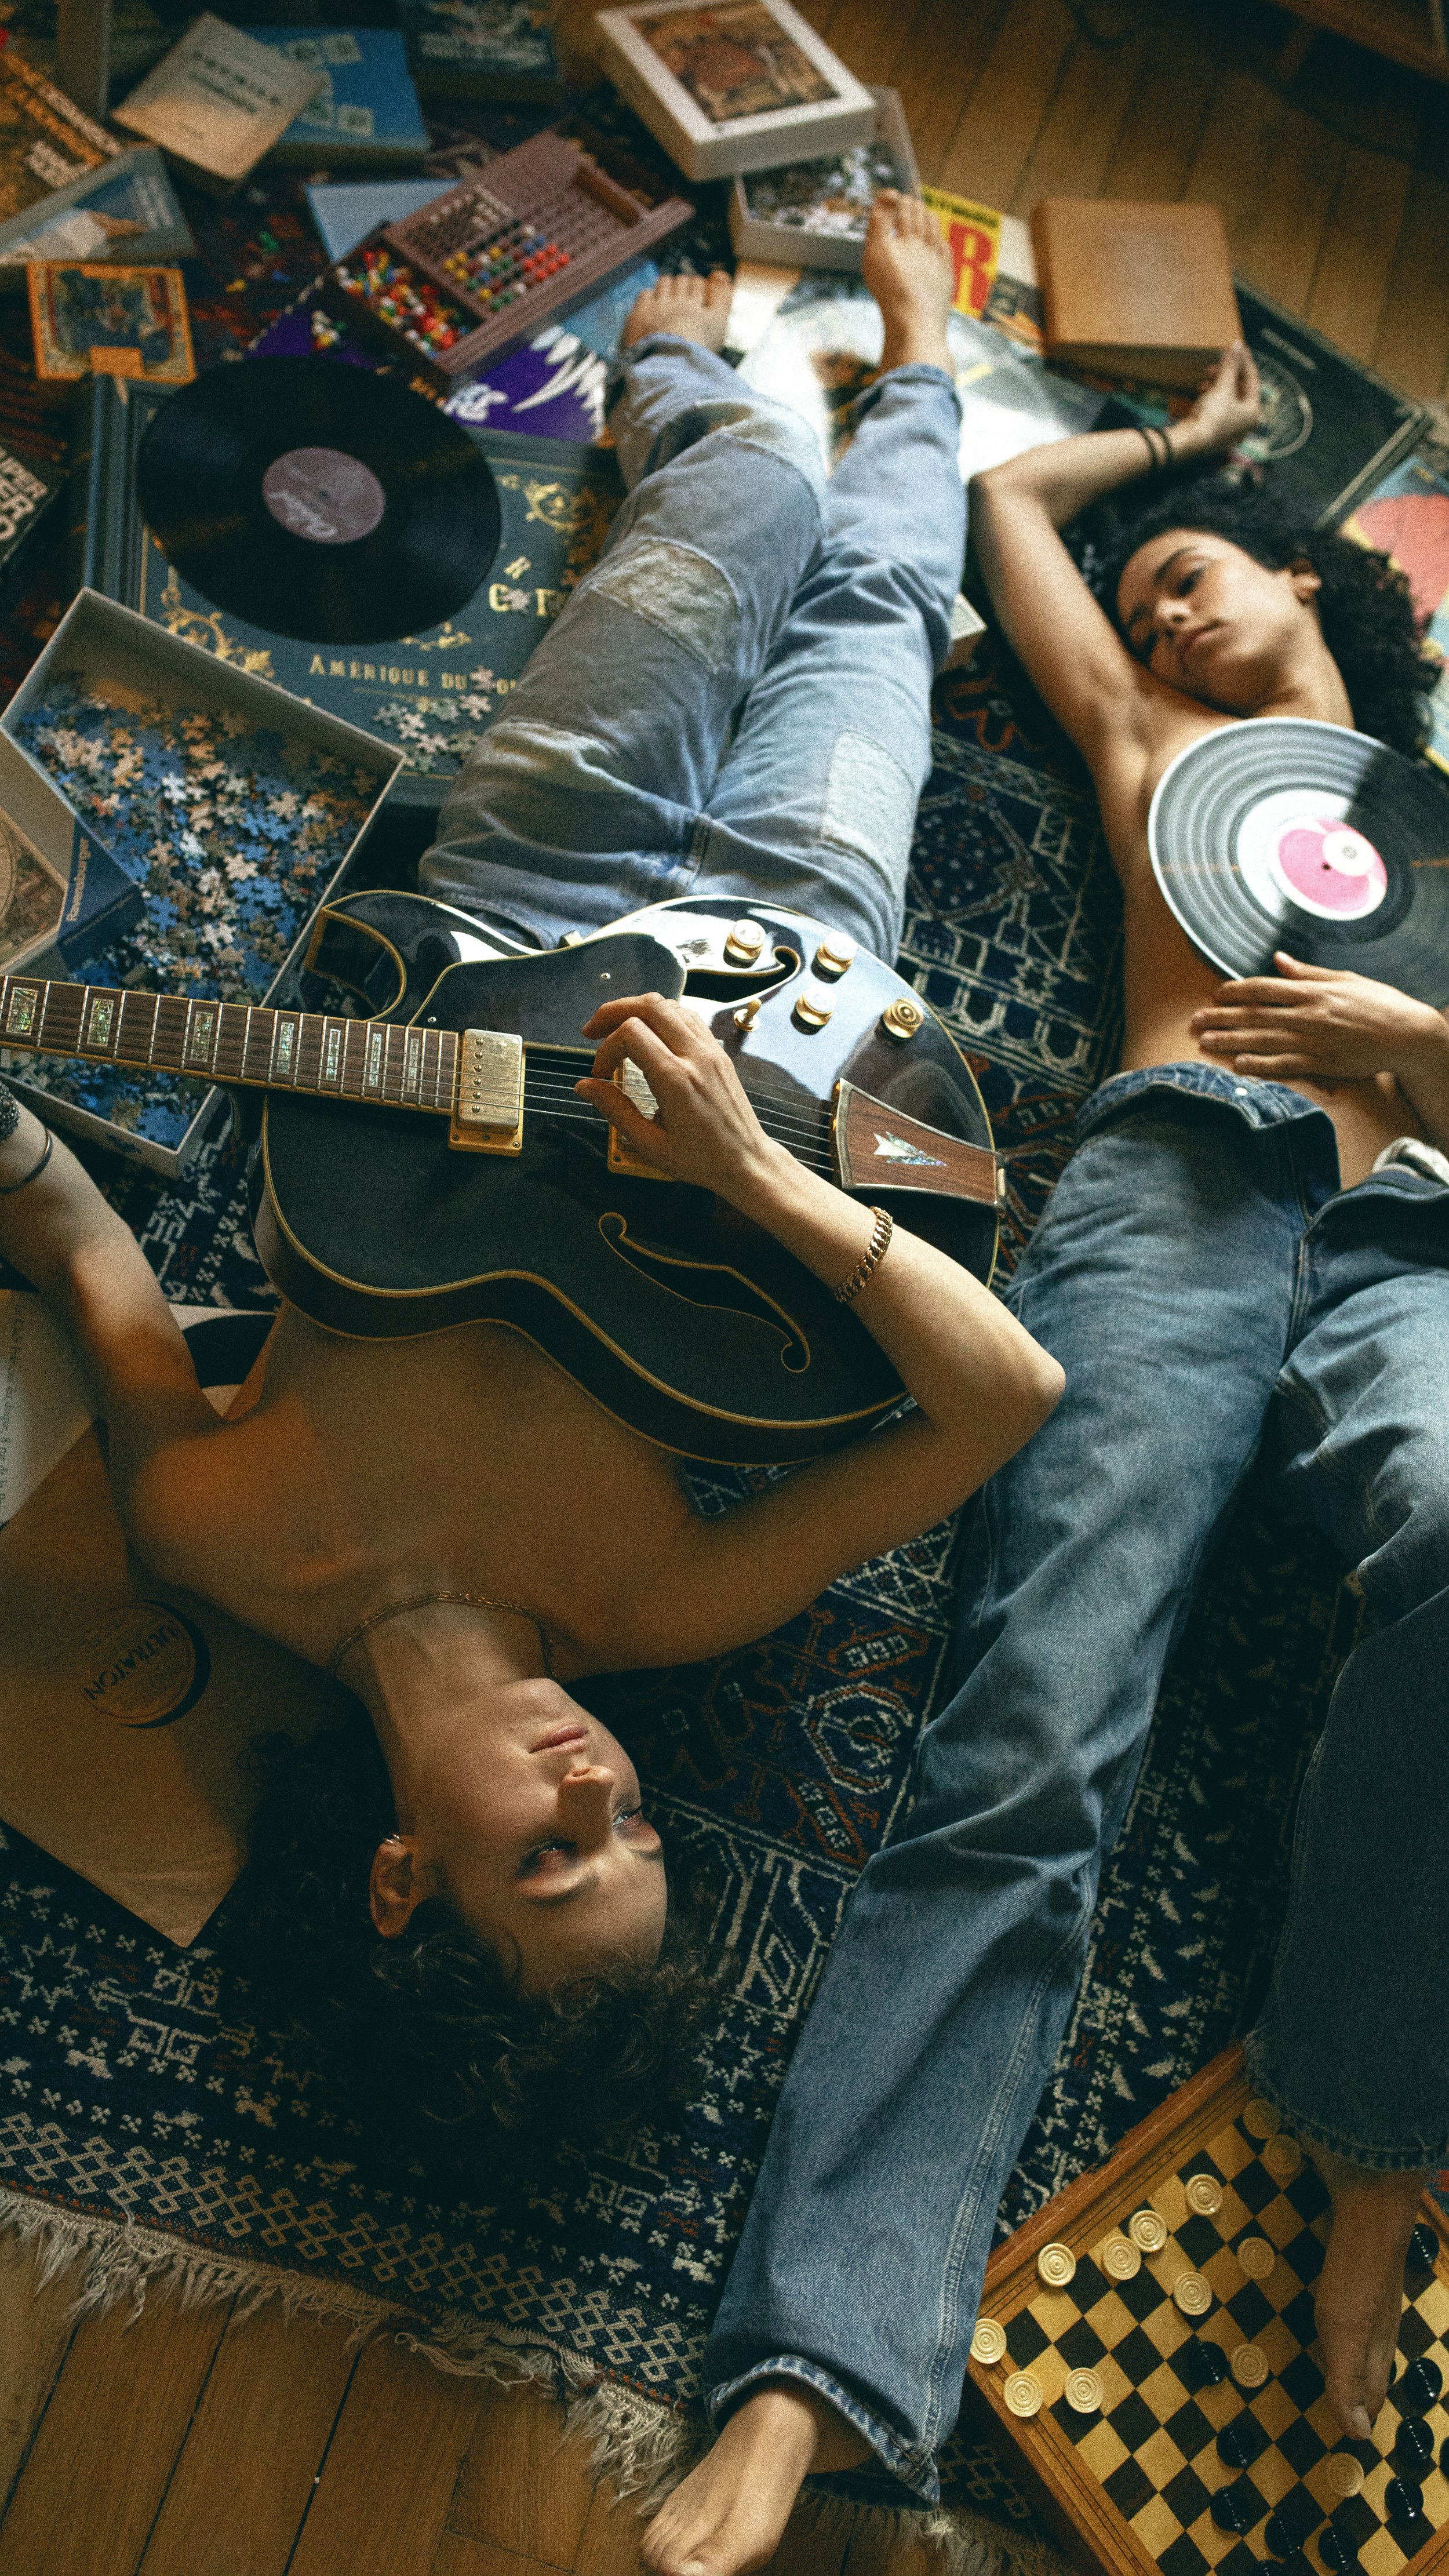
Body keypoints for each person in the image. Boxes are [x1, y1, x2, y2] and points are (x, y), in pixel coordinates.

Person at [0, 198, 1061, 2157]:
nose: (605, 1784)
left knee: (739, 486)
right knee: (872, 616)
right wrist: (754, 1179)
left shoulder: (211, 1536)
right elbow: (1006, 1396)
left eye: (559, 1856)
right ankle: (916, 359)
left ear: (404, 1879)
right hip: (805, 998)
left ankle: (685, 368)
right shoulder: (662, 1601)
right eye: (639, 1825)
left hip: (512, 917)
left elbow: (66, 1224)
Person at [644, 347, 1449, 2575]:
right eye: (1151, 598)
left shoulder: (1442, 810)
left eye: (1198, 575)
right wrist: (1171, 452)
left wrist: (1417, 1039)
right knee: (1028, 1731)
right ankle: (817, 2360)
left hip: (1427, 1229)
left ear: (1314, 585)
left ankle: (1374, 2113)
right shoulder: (1146, 734)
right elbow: (1011, 514)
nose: (1168, 612)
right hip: (1183, 1190)